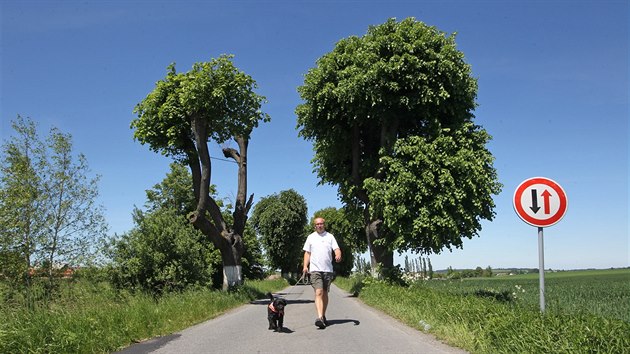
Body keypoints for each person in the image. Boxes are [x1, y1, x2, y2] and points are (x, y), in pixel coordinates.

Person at [302, 217, 342, 329]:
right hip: (315, 270)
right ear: (314, 226)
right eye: (317, 224)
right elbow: (307, 253)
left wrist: (338, 254)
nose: (319, 225)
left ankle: (323, 316)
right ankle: (319, 317)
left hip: (327, 270)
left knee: (325, 293)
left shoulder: (330, 237)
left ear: (324, 225)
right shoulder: (311, 237)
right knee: (318, 292)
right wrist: (305, 266)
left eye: (321, 224)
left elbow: (336, 249)